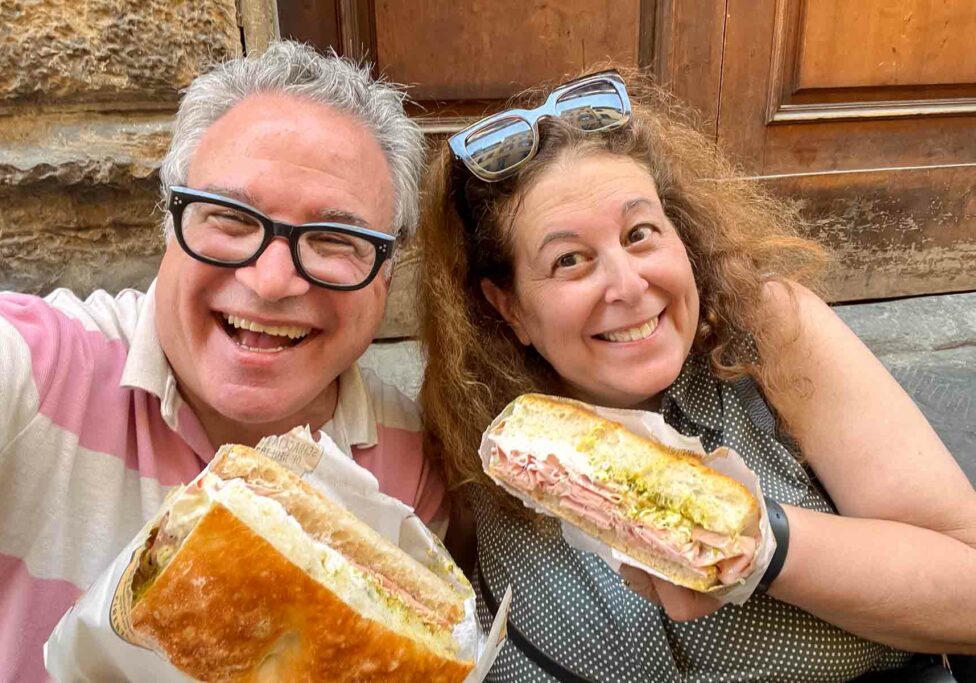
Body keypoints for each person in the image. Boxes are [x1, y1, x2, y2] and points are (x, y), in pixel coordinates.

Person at [417, 66, 976, 682]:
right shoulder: (474, 407)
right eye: (570, 259)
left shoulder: (770, 335)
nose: (629, 285)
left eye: (640, 234)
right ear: (511, 308)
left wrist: (760, 546)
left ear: (681, 238)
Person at [0, 41, 448, 682]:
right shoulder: (17, 372)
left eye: (335, 240)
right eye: (231, 219)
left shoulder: (409, 465)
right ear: (169, 224)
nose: (272, 281)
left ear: (386, 272)